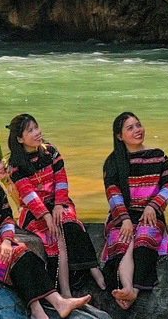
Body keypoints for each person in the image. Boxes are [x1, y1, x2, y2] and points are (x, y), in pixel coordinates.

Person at [0, 145, 92, 319]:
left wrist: (7, 241)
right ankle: (39, 312)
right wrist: (2, 245)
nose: (1, 165)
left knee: (25, 254)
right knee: (17, 258)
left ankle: (57, 302)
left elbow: (7, 219)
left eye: (0, 161)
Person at [6, 113, 106, 302]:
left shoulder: (50, 151)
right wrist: (46, 216)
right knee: (55, 238)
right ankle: (66, 292)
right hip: (34, 211)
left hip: (59, 202)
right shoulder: (16, 166)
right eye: (31, 131)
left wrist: (59, 204)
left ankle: (94, 269)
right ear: (20, 139)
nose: (37, 133)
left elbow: (61, 179)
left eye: (37, 127)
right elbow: (28, 194)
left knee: (70, 224)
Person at [100, 111, 168, 310]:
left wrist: (154, 206)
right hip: (122, 214)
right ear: (119, 136)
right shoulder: (113, 162)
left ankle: (133, 291)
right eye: (130, 127)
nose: (138, 130)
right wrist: (125, 219)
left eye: (138, 125)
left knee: (144, 239)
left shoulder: (158, 156)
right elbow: (113, 193)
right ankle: (125, 286)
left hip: (150, 213)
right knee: (123, 241)